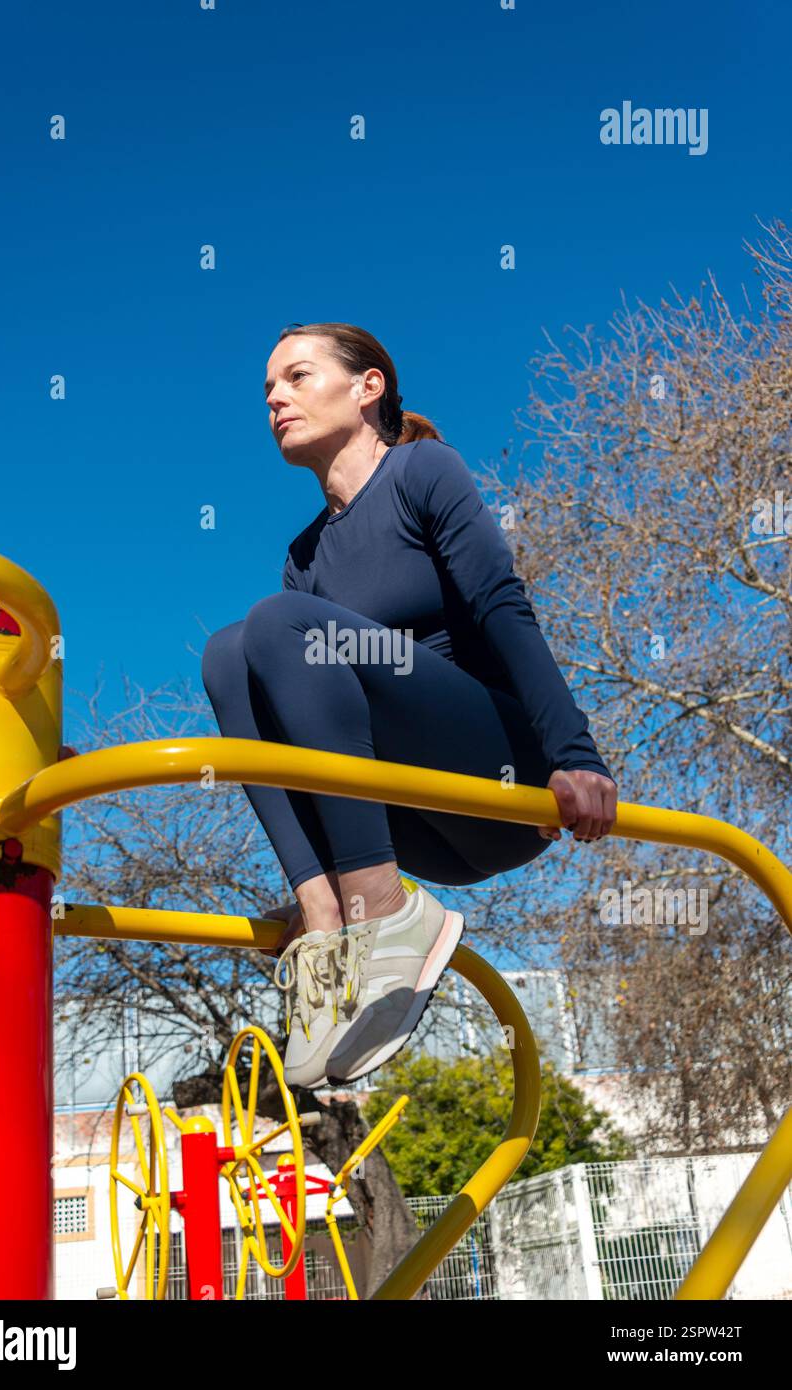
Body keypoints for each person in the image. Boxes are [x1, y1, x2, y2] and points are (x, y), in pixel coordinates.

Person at [202, 322, 617, 1091]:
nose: (274, 399)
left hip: (501, 777)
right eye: (266, 390)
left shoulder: (422, 470)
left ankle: (380, 909)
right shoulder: (304, 556)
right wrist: (311, 878)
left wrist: (574, 754)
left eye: (295, 376)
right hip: (420, 825)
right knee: (230, 650)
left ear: (369, 388)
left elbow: (501, 603)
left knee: (275, 625)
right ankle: (329, 920)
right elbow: (301, 730)